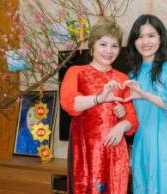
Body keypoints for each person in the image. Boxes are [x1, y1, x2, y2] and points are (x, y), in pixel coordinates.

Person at [60, 18, 138, 194]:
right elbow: (70, 103)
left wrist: (121, 124)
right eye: (103, 44)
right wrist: (100, 98)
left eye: (114, 46)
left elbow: (132, 119)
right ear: (92, 47)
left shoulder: (123, 78)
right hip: (86, 153)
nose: (109, 51)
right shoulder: (76, 72)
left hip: (115, 155)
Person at [125, 14, 167, 194]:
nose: (145, 41)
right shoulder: (131, 76)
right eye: (140, 36)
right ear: (134, 42)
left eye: (151, 35)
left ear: (161, 38)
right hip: (141, 145)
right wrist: (120, 108)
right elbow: (132, 116)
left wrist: (143, 94)